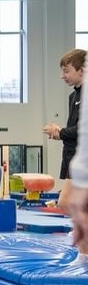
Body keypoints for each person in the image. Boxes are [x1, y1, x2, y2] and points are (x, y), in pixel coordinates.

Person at [44, 49, 87, 258]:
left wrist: (59, 131)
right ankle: (83, 249)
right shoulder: (75, 96)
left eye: (67, 71)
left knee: (68, 203)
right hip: (73, 155)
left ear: (82, 70)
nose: (63, 76)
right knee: (67, 204)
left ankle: (83, 252)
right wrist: (59, 133)